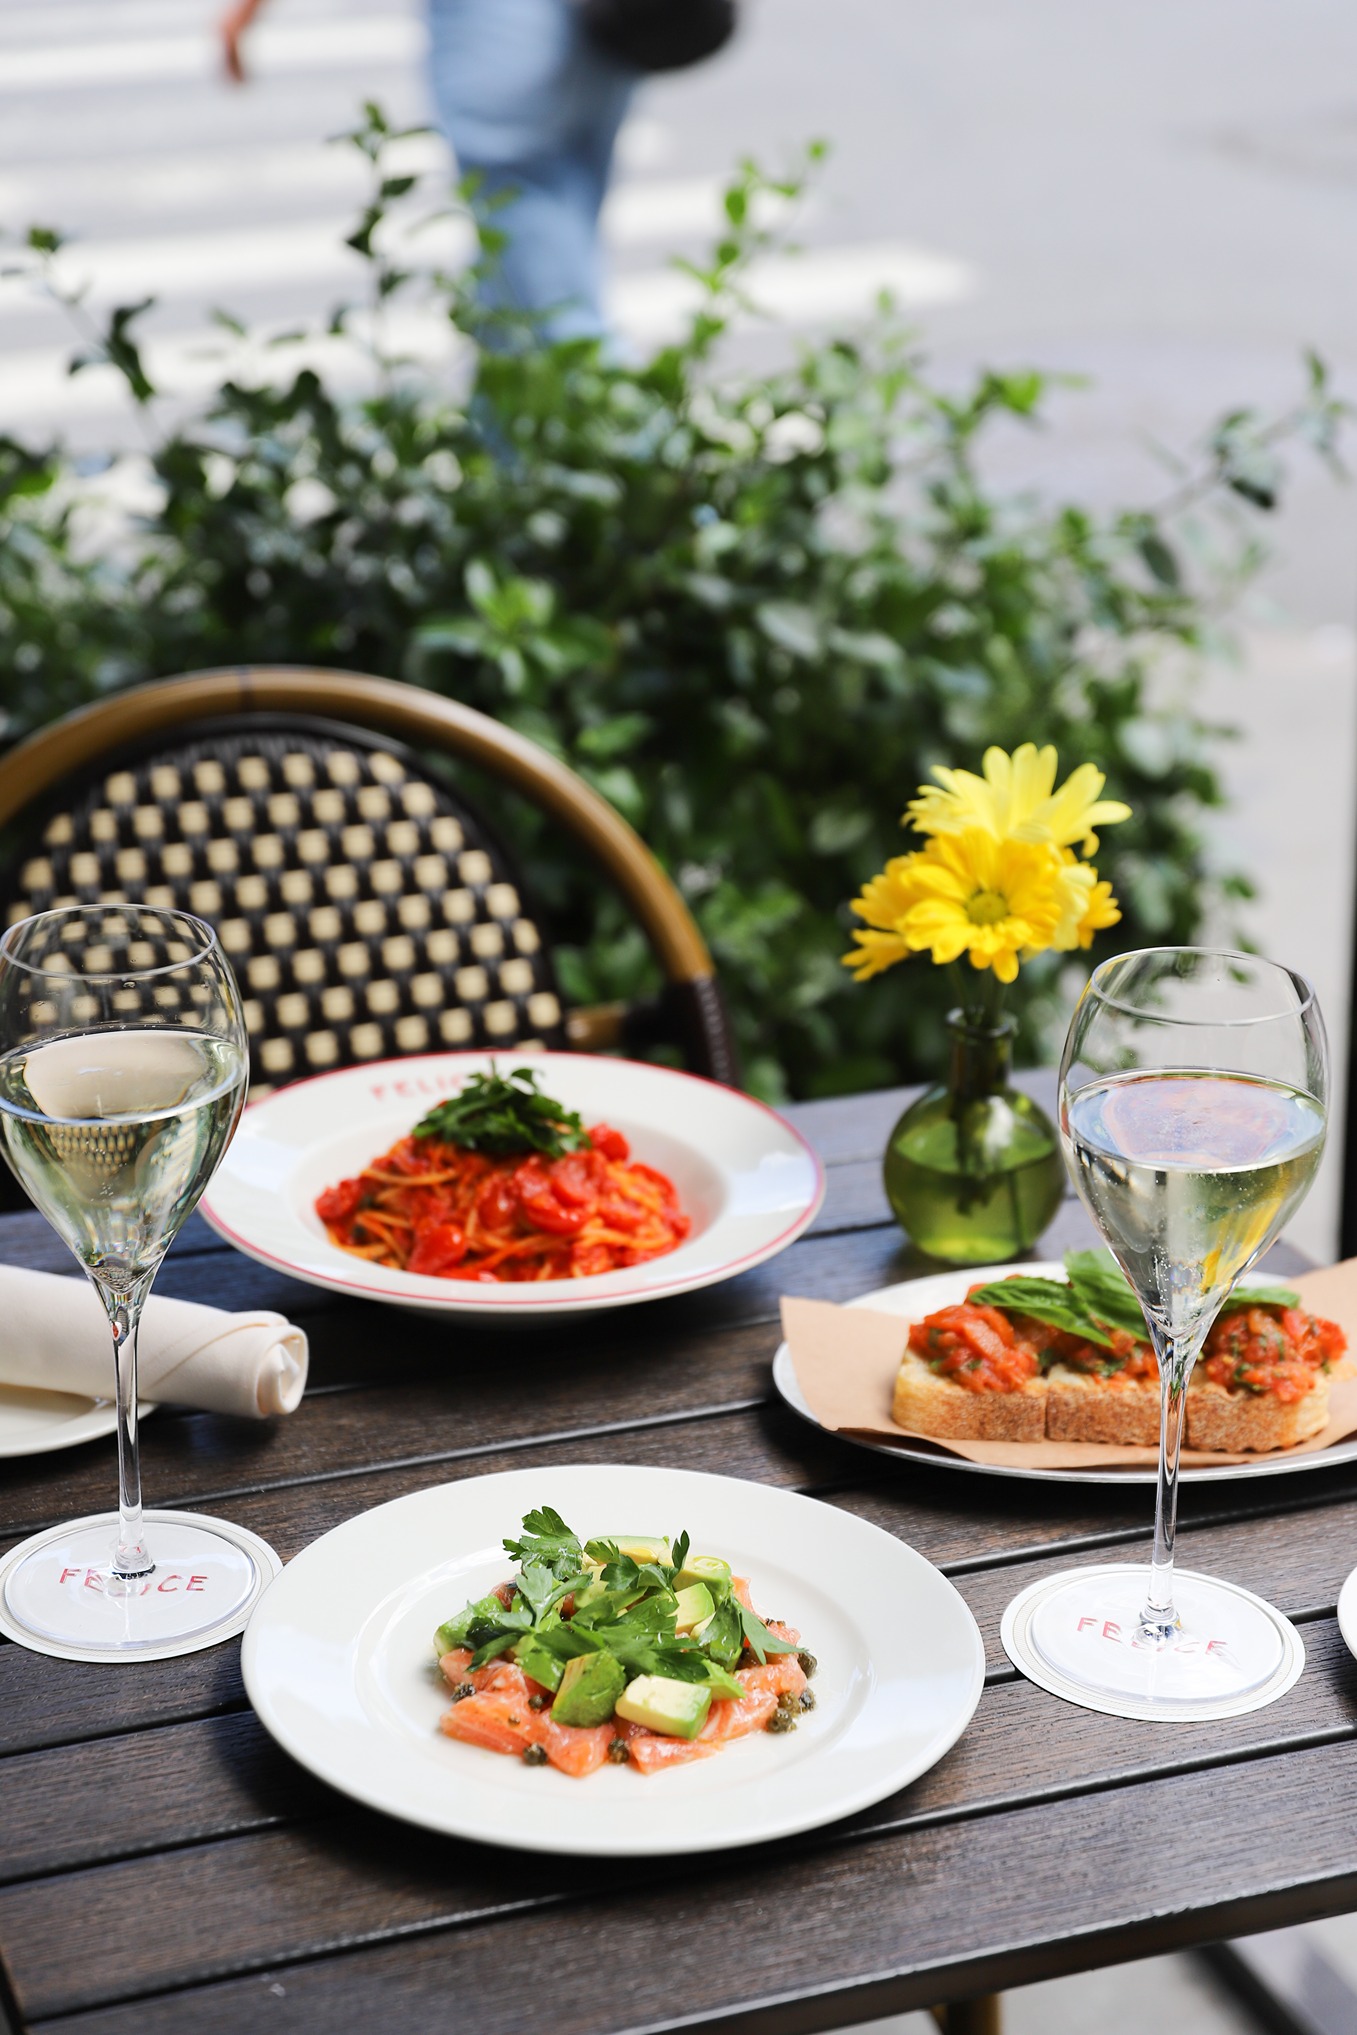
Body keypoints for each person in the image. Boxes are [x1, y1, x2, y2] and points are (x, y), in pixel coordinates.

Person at [219, 0, 637, 343]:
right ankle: (505, 434)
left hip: (505, 34)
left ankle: (619, 434)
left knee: (548, 299)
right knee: (523, 269)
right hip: (607, 26)